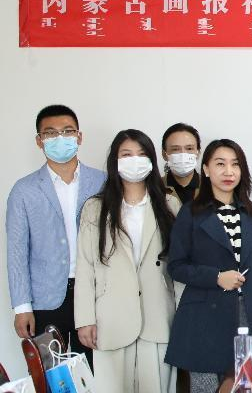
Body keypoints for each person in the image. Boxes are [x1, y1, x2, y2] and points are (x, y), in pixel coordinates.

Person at [75, 129, 180, 393]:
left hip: (158, 316)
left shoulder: (168, 204)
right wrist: (84, 318)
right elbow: (85, 266)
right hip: (111, 318)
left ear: (152, 160)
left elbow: (179, 266)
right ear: (115, 161)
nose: (135, 160)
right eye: (126, 154)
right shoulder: (95, 208)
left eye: (142, 154)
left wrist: (183, 314)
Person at [165, 139, 252, 392]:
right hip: (204, 317)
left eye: (235, 164)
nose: (228, 171)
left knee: (247, 387)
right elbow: (176, 266)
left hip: (248, 313)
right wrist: (216, 277)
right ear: (206, 169)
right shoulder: (190, 213)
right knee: (206, 387)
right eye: (220, 164)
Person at [6, 105, 106, 363]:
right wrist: (22, 307)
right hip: (45, 300)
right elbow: (17, 252)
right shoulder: (24, 190)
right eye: (50, 133)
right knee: (51, 373)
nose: (60, 138)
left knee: (95, 372)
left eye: (68, 131)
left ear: (79, 137)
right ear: (39, 141)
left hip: (95, 294)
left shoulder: (103, 182)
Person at [161, 123, 201, 204]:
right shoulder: (155, 188)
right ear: (164, 154)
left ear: (198, 153)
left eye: (189, 148)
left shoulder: (211, 187)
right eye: (175, 149)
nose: (183, 154)